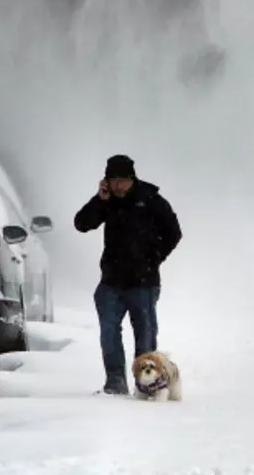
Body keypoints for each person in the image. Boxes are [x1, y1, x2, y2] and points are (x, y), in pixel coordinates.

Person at [74, 154, 182, 395]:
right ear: (106, 182)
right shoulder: (107, 201)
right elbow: (81, 224)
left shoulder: (151, 199)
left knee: (145, 333)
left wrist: (154, 259)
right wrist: (100, 201)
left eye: (123, 180)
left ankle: (147, 386)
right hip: (111, 281)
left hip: (144, 282)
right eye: (114, 181)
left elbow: (174, 232)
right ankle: (115, 382)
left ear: (132, 179)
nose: (119, 186)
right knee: (109, 332)